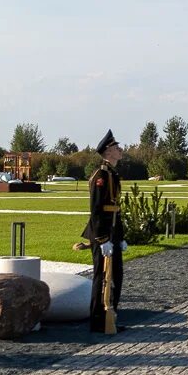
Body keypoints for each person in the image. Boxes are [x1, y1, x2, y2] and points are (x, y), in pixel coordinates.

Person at [83, 130, 125, 334]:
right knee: (101, 277)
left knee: (116, 275)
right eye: (116, 147)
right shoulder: (100, 176)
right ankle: (98, 321)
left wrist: (121, 236)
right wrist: (101, 239)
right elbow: (97, 209)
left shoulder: (112, 174)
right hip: (102, 234)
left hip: (113, 232)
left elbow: (116, 208)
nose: (120, 150)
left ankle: (111, 317)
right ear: (108, 152)